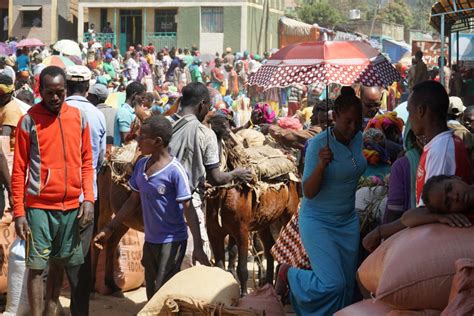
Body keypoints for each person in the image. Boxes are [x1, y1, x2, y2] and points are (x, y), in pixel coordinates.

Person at [94, 115, 210, 300]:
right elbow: (132, 201)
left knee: (162, 290)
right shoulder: (141, 165)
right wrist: (110, 227)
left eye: (142, 137)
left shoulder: (175, 171)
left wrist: (197, 245)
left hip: (172, 241)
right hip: (151, 240)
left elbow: (189, 208)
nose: (137, 140)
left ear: (157, 141)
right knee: (152, 291)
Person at [12, 66, 94, 316]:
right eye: (50, 93)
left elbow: (87, 162)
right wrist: (19, 212)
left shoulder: (79, 118)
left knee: (59, 264)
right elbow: (19, 170)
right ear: (40, 91)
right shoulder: (28, 120)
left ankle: (51, 310)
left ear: (66, 90)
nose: (56, 98)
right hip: (38, 208)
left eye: (60, 92)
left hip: (71, 207)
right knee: (36, 267)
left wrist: (88, 199)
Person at [277, 87, 367, 314]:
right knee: (332, 284)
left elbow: (355, 166)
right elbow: (308, 191)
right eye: (347, 121)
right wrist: (320, 165)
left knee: (346, 287)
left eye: (358, 121)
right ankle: (289, 274)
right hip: (319, 222)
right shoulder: (319, 145)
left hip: (347, 222)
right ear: (334, 117)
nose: (353, 127)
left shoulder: (358, 138)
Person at [363, 80, 472, 252]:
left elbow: (426, 213)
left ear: (420, 111)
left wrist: (381, 232)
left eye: (409, 111)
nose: (409, 118)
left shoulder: (441, 151)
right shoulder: (437, 146)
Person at [167, 82, 252, 268]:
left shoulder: (164, 125)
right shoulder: (205, 133)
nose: (208, 112)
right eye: (209, 107)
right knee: (197, 268)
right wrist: (237, 173)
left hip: (160, 206)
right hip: (189, 204)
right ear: (202, 104)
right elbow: (216, 178)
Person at [64, 65, 106, 315]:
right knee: (81, 255)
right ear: (87, 88)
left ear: (66, 86)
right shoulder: (96, 114)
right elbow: (99, 160)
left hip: (55, 198)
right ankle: (80, 310)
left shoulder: (56, 109)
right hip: (86, 197)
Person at [404, 175, 473, 227]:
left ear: (455, 177)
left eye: (450, 188)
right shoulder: (465, 217)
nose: (455, 197)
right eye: (448, 203)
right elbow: (406, 218)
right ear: (448, 212)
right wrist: (437, 217)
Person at [113, 81, 146, 146]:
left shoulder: (131, 111)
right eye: (142, 97)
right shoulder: (124, 112)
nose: (143, 100)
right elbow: (126, 140)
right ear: (135, 95)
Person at [0, 75, 24, 147]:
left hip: (9, 152)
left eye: (1, 93)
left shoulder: (11, 110)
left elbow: (4, 139)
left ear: (10, 93)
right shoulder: (3, 104)